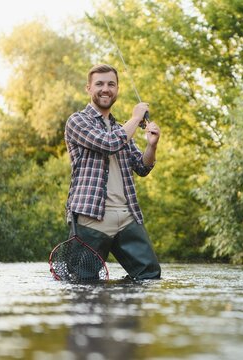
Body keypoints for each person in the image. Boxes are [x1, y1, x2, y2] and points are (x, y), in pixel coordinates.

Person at [64, 63, 161, 280]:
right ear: (88, 88)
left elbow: (143, 167)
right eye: (99, 84)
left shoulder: (121, 129)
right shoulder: (77, 121)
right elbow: (107, 144)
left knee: (150, 276)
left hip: (126, 215)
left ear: (117, 89)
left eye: (111, 84)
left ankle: (121, 311)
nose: (105, 88)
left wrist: (152, 146)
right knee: (83, 283)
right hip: (91, 217)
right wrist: (136, 118)